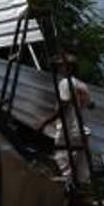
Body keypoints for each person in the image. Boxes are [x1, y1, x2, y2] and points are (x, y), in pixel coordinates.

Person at [37, 54, 94, 191]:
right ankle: (83, 201)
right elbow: (90, 106)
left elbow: (64, 106)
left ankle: (62, 201)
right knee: (81, 171)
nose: (59, 69)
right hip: (83, 132)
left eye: (60, 66)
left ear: (68, 67)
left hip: (69, 131)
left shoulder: (65, 83)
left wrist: (45, 122)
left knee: (62, 167)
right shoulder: (82, 86)